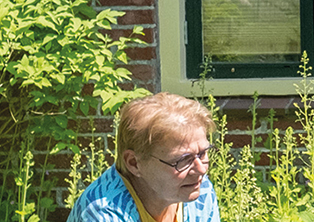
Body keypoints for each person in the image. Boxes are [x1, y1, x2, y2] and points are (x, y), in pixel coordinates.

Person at [70, 93, 223, 222]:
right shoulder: (102, 213)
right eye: (183, 160)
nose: (201, 169)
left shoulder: (200, 189)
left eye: (202, 153)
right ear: (134, 163)